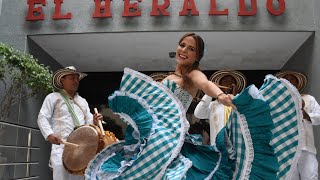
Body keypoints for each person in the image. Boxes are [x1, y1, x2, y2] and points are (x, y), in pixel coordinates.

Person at [85, 33, 302, 180]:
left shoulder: (193, 74)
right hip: (153, 138)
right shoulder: (169, 76)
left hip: (172, 139)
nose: (184, 50)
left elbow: (206, 84)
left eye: (191, 49)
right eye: (182, 45)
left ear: (197, 56)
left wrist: (221, 96)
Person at [37, 66, 103, 180]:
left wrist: (95, 121)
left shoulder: (82, 101)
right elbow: (42, 117)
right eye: (72, 78)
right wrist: (50, 135)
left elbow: (88, 123)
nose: (76, 81)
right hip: (61, 145)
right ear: (62, 79)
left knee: (79, 178)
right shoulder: (53, 97)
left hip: (81, 148)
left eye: (77, 79)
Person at [275, 71, 320, 180]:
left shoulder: (309, 99)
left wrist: (307, 115)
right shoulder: (277, 102)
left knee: (311, 177)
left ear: (298, 82)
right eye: (286, 80)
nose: (289, 82)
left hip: (306, 148)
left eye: (292, 79)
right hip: (285, 149)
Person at [194, 70, 247, 145]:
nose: (229, 84)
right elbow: (198, 114)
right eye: (225, 81)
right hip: (218, 148)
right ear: (220, 85)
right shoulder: (213, 105)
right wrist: (211, 92)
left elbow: (246, 115)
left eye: (232, 81)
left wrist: (237, 99)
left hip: (237, 146)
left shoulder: (241, 104)